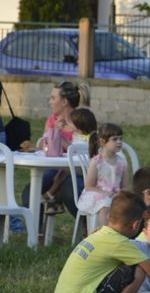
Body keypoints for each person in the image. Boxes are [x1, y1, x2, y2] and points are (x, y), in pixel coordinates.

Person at [22, 81, 91, 218]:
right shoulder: (52, 120)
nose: (50, 102)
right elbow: (45, 144)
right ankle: (36, 232)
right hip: (54, 168)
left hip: (78, 171)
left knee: (70, 188)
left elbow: (84, 150)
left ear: (64, 102)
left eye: (53, 98)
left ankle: (86, 226)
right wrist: (47, 139)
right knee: (30, 192)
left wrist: (61, 138)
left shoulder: (82, 119)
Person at [42, 108, 98, 214]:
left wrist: (60, 136)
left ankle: (50, 194)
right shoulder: (78, 135)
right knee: (61, 173)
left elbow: (72, 149)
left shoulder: (89, 139)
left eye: (71, 122)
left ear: (79, 125)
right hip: (78, 166)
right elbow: (71, 145)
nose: (68, 124)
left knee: (63, 173)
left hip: (86, 169)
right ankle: (55, 201)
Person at [76, 123, 131, 228]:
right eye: (114, 139)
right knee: (105, 204)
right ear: (102, 142)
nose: (119, 142)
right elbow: (89, 186)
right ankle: (104, 233)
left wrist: (120, 195)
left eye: (121, 139)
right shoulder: (97, 162)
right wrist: (106, 193)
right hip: (96, 194)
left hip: (115, 195)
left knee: (127, 205)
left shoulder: (122, 162)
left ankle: (121, 234)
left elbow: (125, 186)